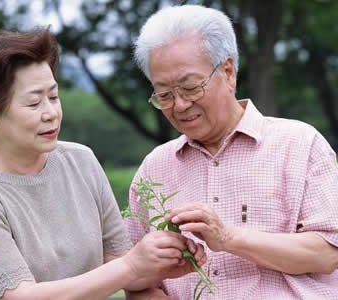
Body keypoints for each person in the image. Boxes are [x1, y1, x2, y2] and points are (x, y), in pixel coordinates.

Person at [0, 27, 206, 300]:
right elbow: (21, 297)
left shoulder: (81, 161)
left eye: (53, 97)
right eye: (34, 103)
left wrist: (164, 263)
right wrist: (131, 265)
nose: (51, 113)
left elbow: (118, 262)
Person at [126, 4, 338, 300]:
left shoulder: (300, 144)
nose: (180, 105)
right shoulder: (155, 167)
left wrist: (228, 238)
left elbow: (327, 254)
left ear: (227, 72)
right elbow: (135, 278)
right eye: (164, 95)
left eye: (190, 87)